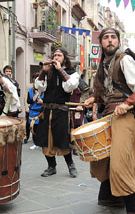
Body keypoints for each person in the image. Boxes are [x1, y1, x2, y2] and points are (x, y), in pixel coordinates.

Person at [84, 28, 135, 214]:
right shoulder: (103, 64)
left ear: (118, 41)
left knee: (121, 162)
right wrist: (94, 98)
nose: (110, 41)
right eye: (106, 38)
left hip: (126, 116)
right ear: (101, 42)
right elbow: (106, 91)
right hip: (109, 116)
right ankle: (111, 198)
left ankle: (132, 209)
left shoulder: (124, 60)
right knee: (101, 159)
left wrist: (128, 103)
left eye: (113, 37)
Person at [35, 47, 80, 178]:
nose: (56, 57)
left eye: (59, 55)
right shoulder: (48, 72)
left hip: (61, 112)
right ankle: (51, 166)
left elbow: (70, 87)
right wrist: (43, 71)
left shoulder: (72, 72)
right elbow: (38, 87)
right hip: (47, 110)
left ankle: (71, 165)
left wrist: (60, 69)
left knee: (63, 139)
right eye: (54, 55)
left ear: (64, 58)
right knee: (45, 140)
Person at [27, 72, 44, 149]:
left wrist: (42, 102)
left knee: (41, 128)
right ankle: (35, 143)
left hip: (41, 112)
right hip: (32, 112)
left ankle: (41, 143)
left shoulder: (44, 90)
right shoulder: (30, 90)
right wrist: (32, 99)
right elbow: (28, 101)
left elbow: (48, 101)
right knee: (33, 128)